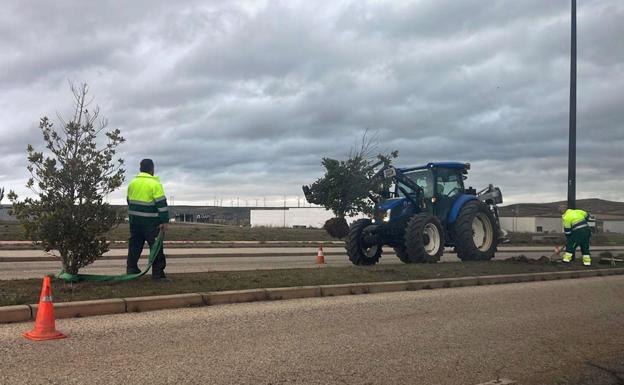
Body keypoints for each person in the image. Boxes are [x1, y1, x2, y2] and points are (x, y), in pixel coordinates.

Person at [126, 159, 169, 279]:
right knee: (156, 248)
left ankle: (131, 269)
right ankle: (158, 274)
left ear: (140, 169)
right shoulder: (155, 184)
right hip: (151, 223)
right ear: (152, 169)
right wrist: (164, 221)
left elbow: (129, 200)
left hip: (135, 222)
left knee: (134, 246)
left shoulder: (132, 183)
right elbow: (161, 204)